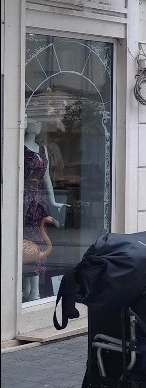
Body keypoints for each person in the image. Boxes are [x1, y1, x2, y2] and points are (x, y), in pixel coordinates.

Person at [22, 115, 66, 302]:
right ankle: (28, 290)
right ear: (26, 124)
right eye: (35, 120)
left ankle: (34, 291)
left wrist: (54, 201)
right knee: (27, 244)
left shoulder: (43, 149)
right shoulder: (19, 148)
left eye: (39, 121)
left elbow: (47, 177)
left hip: (39, 203)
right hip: (24, 202)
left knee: (38, 243)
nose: (39, 124)